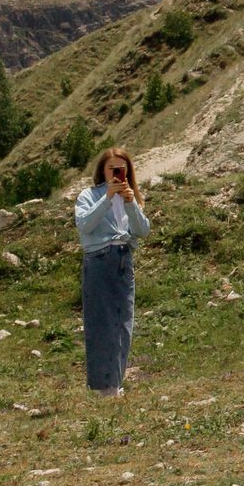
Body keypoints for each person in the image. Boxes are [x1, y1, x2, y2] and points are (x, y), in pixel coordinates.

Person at [73, 146, 151, 396]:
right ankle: (101, 387)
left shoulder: (132, 196)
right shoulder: (89, 195)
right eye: (112, 168)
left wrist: (130, 203)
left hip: (123, 259)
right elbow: (85, 225)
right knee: (100, 323)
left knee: (123, 323)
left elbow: (142, 230)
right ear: (103, 171)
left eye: (122, 168)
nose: (117, 173)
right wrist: (107, 198)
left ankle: (115, 383)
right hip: (99, 259)